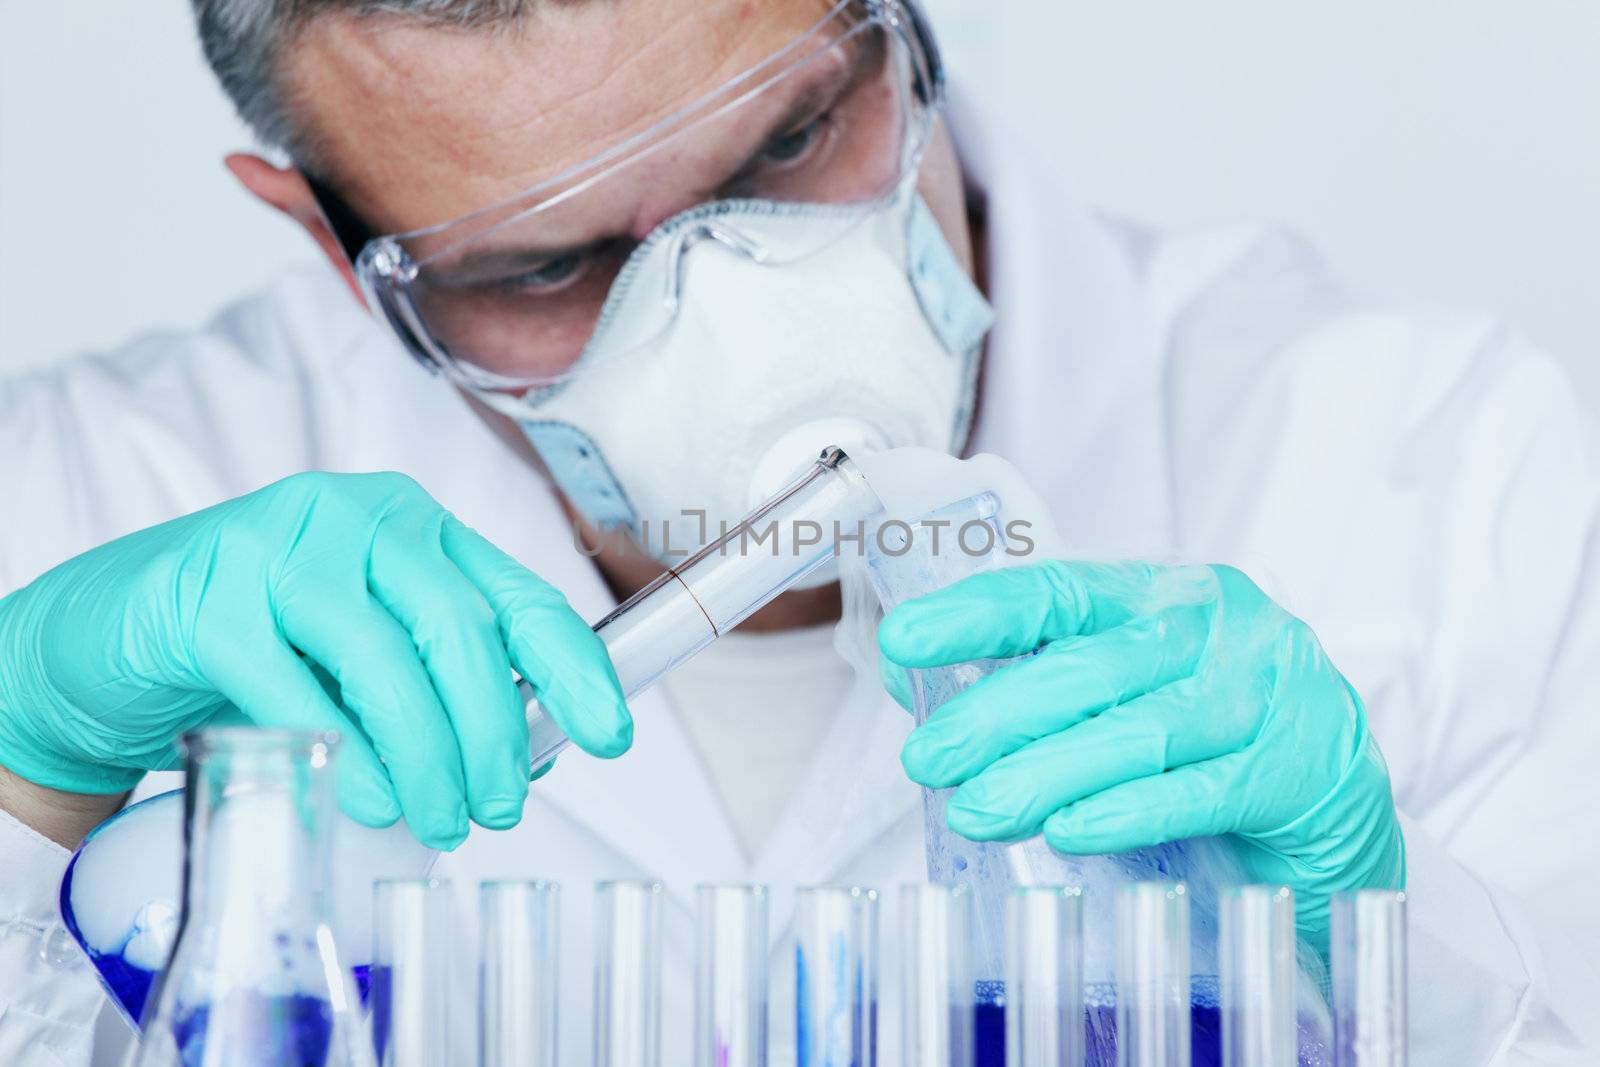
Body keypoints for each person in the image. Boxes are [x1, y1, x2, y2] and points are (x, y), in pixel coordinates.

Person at [0, 0, 1595, 1062]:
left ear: (901, 35)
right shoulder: (81, 493)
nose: (737, 337)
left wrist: (1391, 965)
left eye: (788, 144)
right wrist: (23, 782)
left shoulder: (1435, 463)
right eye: (546, 270)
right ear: (338, 251)